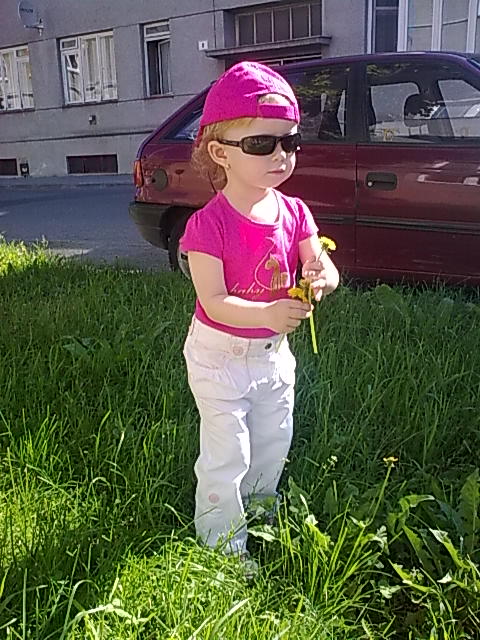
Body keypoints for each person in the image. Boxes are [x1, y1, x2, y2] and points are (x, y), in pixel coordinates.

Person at [180, 61, 339, 560]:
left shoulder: (294, 212)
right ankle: (222, 544)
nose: (280, 155)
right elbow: (213, 301)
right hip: (220, 357)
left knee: (274, 440)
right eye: (261, 143)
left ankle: (260, 511)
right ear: (220, 153)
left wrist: (322, 276)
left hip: (273, 356)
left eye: (290, 142)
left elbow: (322, 262)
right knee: (228, 450)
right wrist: (268, 313)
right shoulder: (208, 225)